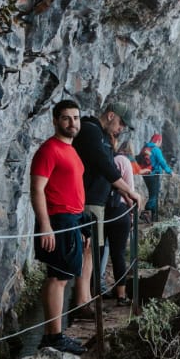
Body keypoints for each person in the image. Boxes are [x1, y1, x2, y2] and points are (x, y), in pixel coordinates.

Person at [29, 99, 88, 355]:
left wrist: (81, 227)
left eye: (75, 118)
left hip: (72, 220)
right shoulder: (48, 150)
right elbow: (37, 189)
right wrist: (45, 225)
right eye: (66, 118)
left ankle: (55, 335)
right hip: (58, 220)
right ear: (55, 120)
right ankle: (53, 337)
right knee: (57, 278)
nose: (72, 123)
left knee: (62, 277)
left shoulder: (71, 150)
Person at [72, 104, 144, 315]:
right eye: (121, 123)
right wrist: (129, 192)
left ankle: (84, 301)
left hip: (97, 201)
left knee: (91, 252)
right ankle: (82, 303)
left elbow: (107, 168)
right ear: (111, 115)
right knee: (87, 250)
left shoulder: (101, 135)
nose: (121, 128)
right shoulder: (90, 130)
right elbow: (104, 165)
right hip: (89, 199)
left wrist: (124, 194)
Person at [105, 140, 139, 304]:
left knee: (98, 253)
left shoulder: (106, 159)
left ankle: (94, 291)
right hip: (120, 210)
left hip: (103, 210)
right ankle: (121, 295)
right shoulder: (124, 161)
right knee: (118, 254)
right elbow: (129, 190)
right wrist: (132, 214)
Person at [138, 132, 171, 221]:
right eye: (160, 141)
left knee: (152, 193)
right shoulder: (156, 149)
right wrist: (170, 171)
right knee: (154, 195)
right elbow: (162, 162)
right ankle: (146, 212)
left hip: (145, 174)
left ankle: (153, 217)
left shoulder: (145, 148)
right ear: (158, 140)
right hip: (154, 175)